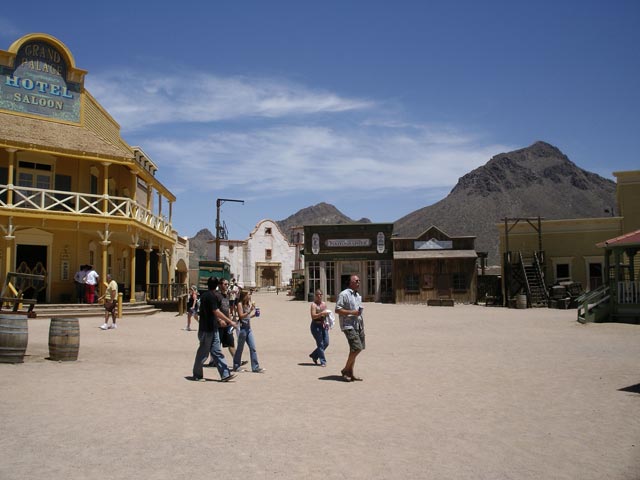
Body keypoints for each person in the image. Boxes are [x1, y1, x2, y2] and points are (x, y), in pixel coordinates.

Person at [191, 276, 237, 382]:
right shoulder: (211, 296)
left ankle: (225, 374)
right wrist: (230, 321)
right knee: (203, 353)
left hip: (213, 328)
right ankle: (197, 374)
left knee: (217, 351)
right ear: (217, 285)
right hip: (206, 329)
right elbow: (216, 311)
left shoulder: (206, 295)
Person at [335, 275, 365, 382]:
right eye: (356, 281)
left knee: (355, 349)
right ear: (351, 282)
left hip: (358, 325)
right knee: (357, 348)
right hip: (348, 325)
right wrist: (353, 312)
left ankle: (351, 373)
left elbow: (358, 311)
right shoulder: (344, 294)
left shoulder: (358, 296)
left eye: (359, 280)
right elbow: (337, 309)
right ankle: (345, 370)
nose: (358, 282)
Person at [233, 290, 265, 373]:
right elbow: (241, 316)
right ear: (244, 295)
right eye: (248, 294)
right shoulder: (240, 304)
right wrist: (250, 311)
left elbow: (247, 317)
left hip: (249, 329)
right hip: (242, 329)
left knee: (253, 348)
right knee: (240, 348)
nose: (250, 296)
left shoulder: (247, 304)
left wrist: (253, 315)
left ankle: (255, 367)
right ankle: (236, 366)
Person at [309, 289, 330, 367]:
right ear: (315, 296)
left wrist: (327, 317)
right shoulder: (313, 305)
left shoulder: (324, 304)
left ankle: (314, 355)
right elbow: (313, 316)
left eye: (320, 294)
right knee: (320, 344)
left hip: (323, 325)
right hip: (315, 326)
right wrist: (321, 314)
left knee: (326, 342)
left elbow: (326, 314)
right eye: (317, 294)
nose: (319, 296)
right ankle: (323, 361)